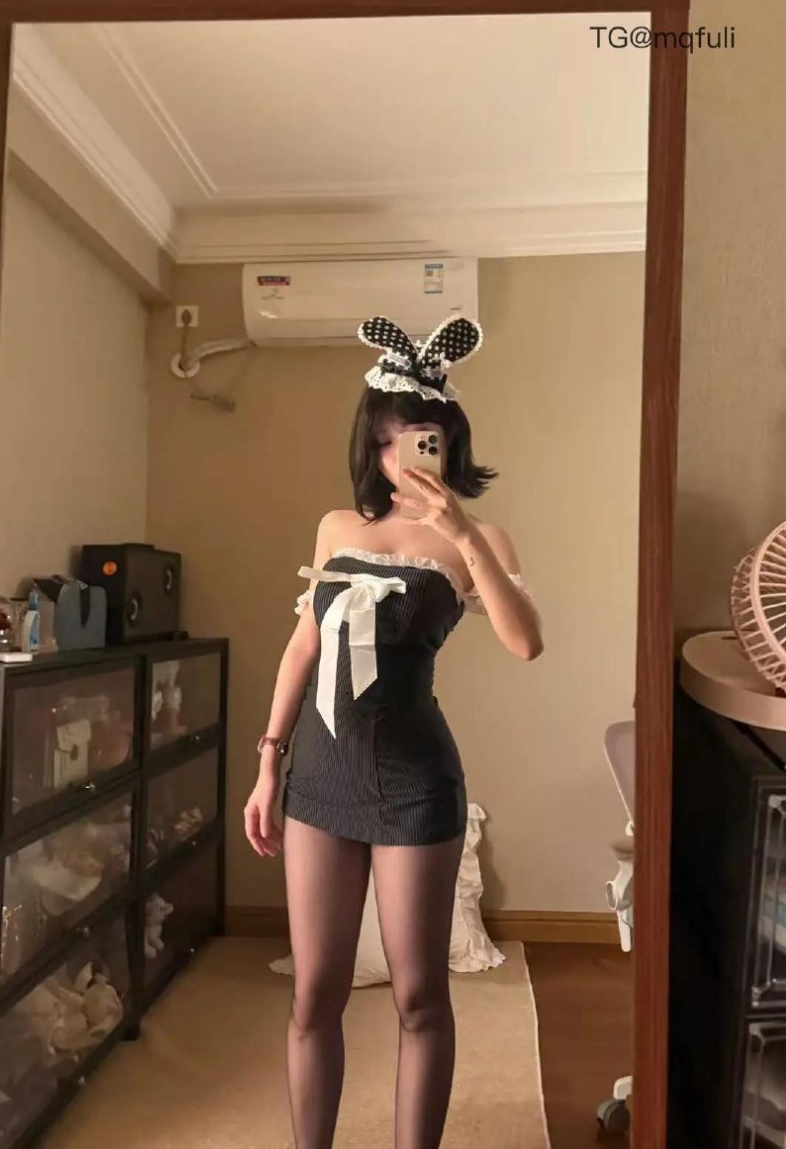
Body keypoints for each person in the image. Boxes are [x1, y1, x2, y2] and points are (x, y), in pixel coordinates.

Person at [244, 314, 544, 1149]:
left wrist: (461, 534)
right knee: (314, 994)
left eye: (419, 442)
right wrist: (268, 764)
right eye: (386, 443)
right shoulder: (337, 529)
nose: (400, 459)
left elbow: (526, 642)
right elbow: (302, 648)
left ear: (446, 443)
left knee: (419, 997)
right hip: (318, 780)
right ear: (369, 446)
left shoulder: (480, 539)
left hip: (415, 784)